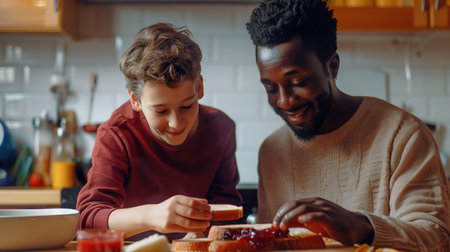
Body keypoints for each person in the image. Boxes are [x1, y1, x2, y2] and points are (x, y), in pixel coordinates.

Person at [246, 0, 450, 251]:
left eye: (298, 82)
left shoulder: (402, 136)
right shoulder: (272, 151)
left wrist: (361, 225)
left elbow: (436, 237)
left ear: (332, 67)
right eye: (270, 88)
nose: (285, 101)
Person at [76, 23, 242, 241]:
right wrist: (151, 215)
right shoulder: (117, 134)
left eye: (187, 106)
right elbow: (87, 220)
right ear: (135, 100)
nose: (176, 123)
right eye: (161, 110)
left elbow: (227, 210)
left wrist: (202, 234)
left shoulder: (221, 129)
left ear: (199, 87)